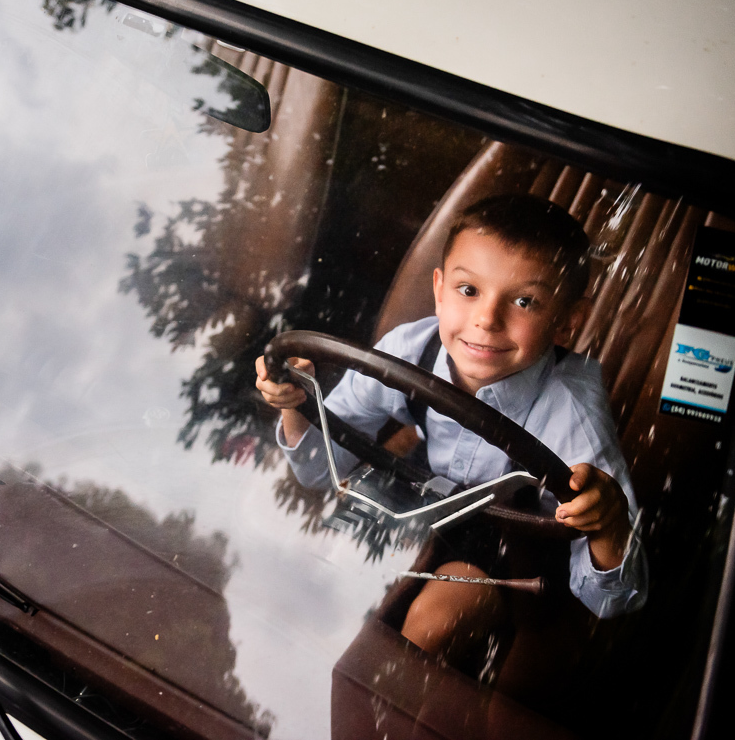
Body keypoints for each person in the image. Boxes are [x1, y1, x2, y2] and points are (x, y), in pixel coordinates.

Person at [255, 194, 646, 667]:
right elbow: (319, 471)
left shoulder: (572, 418)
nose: (487, 319)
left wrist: (608, 525)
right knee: (288, 567)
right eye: (468, 290)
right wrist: (297, 407)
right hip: (420, 498)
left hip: (512, 537)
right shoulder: (409, 352)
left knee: (429, 631)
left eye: (524, 301)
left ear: (566, 322)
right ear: (439, 290)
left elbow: (613, 599)